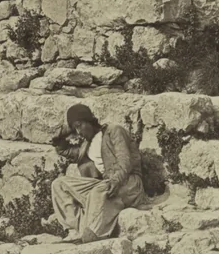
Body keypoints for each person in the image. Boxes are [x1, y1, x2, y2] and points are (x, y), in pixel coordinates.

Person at [50, 104, 151, 242]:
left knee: (98, 192)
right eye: (75, 129)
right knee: (59, 184)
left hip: (128, 182)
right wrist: (66, 130)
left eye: (79, 125)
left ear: (88, 120)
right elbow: (63, 150)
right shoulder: (86, 145)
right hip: (103, 183)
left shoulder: (114, 130)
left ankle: (92, 234)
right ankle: (74, 231)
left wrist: (116, 180)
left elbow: (125, 161)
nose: (78, 132)